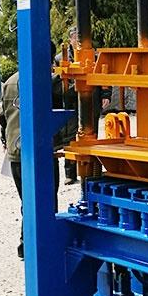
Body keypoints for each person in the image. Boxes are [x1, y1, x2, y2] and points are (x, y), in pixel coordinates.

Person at [0, 48, 62, 259]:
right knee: (46, 201)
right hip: (41, 152)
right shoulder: (48, 81)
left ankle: (26, 245)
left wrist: (5, 142)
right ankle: (44, 246)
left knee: (28, 201)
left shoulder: (10, 82)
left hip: (16, 153)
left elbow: (3, 118)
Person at [57, 26, 111, 185]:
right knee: (69, 136)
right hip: (71, 101)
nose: (78, 42)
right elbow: (57, 80)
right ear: (70, 40)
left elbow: (104, 76)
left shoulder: (95, 57)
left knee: (91, 133)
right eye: (76, 38)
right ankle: (70, 173)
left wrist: (105, 95)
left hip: (91, 99)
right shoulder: (61, 58)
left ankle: (92, 169)